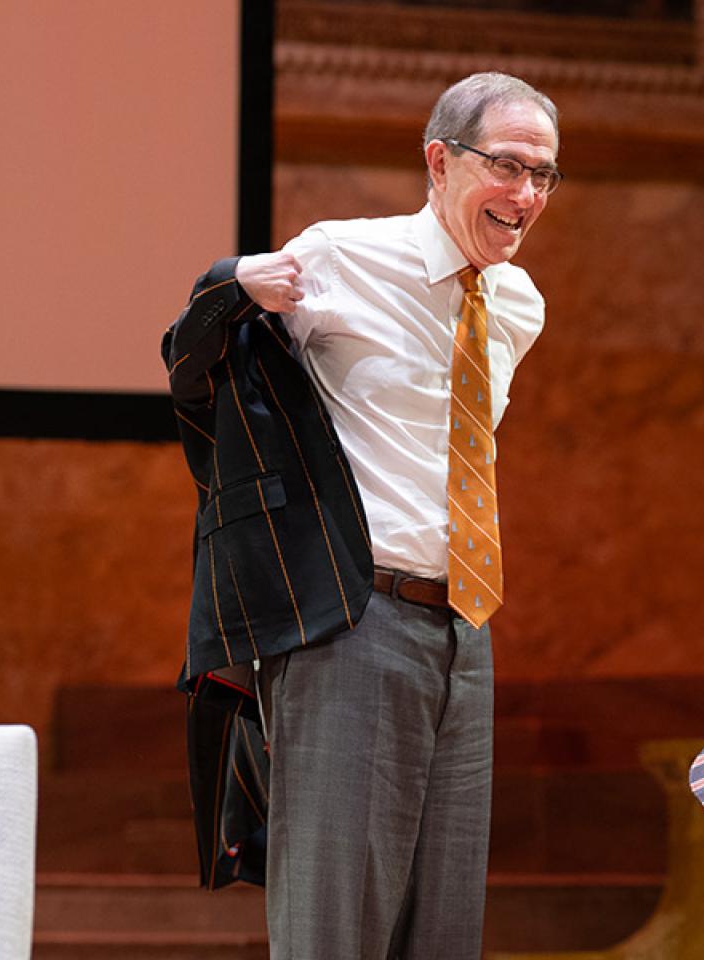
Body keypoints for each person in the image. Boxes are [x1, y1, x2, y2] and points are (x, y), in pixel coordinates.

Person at [163, 71, 561, 960]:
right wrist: (228, 284)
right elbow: (193, 360)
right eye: (508, 166)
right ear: (440, 161)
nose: (526, 195)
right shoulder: (341, 256)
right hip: (350, 620)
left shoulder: (519, 304)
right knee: (332, 929)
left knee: (444, 929)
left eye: (544, 175)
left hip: (465, 624)